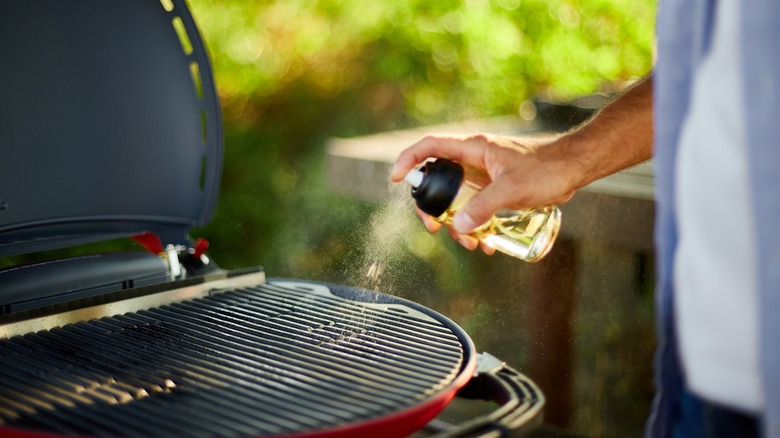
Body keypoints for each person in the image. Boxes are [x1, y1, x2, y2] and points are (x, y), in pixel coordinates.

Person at [390, 0, 780, 436]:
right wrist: (569, 158)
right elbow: (702, 68)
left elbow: (749, 58)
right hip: (708, 336)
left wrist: (569, 158)